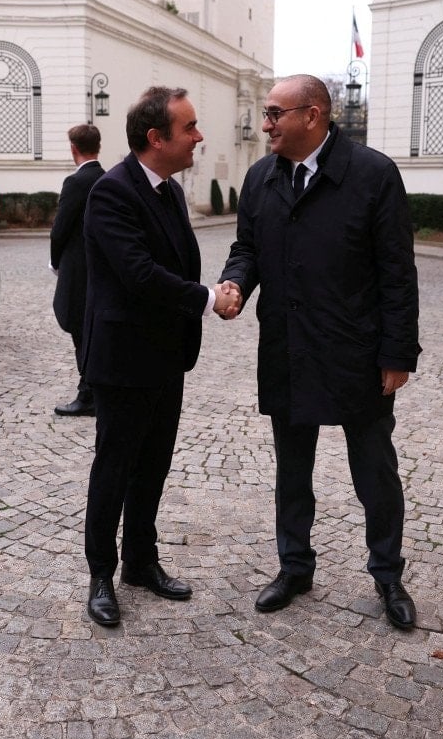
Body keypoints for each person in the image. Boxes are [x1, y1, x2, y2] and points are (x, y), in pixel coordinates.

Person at [217, 74, 422, 629]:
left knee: (374, 471)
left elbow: (397, 273)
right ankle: (294, 567)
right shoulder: (261, 177)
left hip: (356, 352)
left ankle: (387, 574)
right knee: (292, 469)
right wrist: (237, 282)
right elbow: (247, 246)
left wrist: (397, 354)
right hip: (287, 347)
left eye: (275, 113)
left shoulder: (374, 174)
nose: (265, 125)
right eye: (266, 113)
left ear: (313, 115)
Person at [81, 86, 238, 627]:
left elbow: (176, 265)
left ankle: (140, 562)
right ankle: (101, 574)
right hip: (124, 361)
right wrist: (208, 299)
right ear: (156, 137)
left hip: (167, 357)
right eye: (189, 127)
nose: (198, 136)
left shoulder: (168, 190)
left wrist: (211, 291)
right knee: (115, 469)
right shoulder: (111, 192)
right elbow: (140, 275)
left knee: (153, 467)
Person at [50, 124, 105, 416]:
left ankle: (88, 395)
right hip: (102, 271)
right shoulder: (108, 178)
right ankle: (95, 390)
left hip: (78, 273)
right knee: (94, 333)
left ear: (74, 148)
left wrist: (55, 262)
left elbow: (60, 229)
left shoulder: (75, 182)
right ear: (98, 146)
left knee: (81, 333)